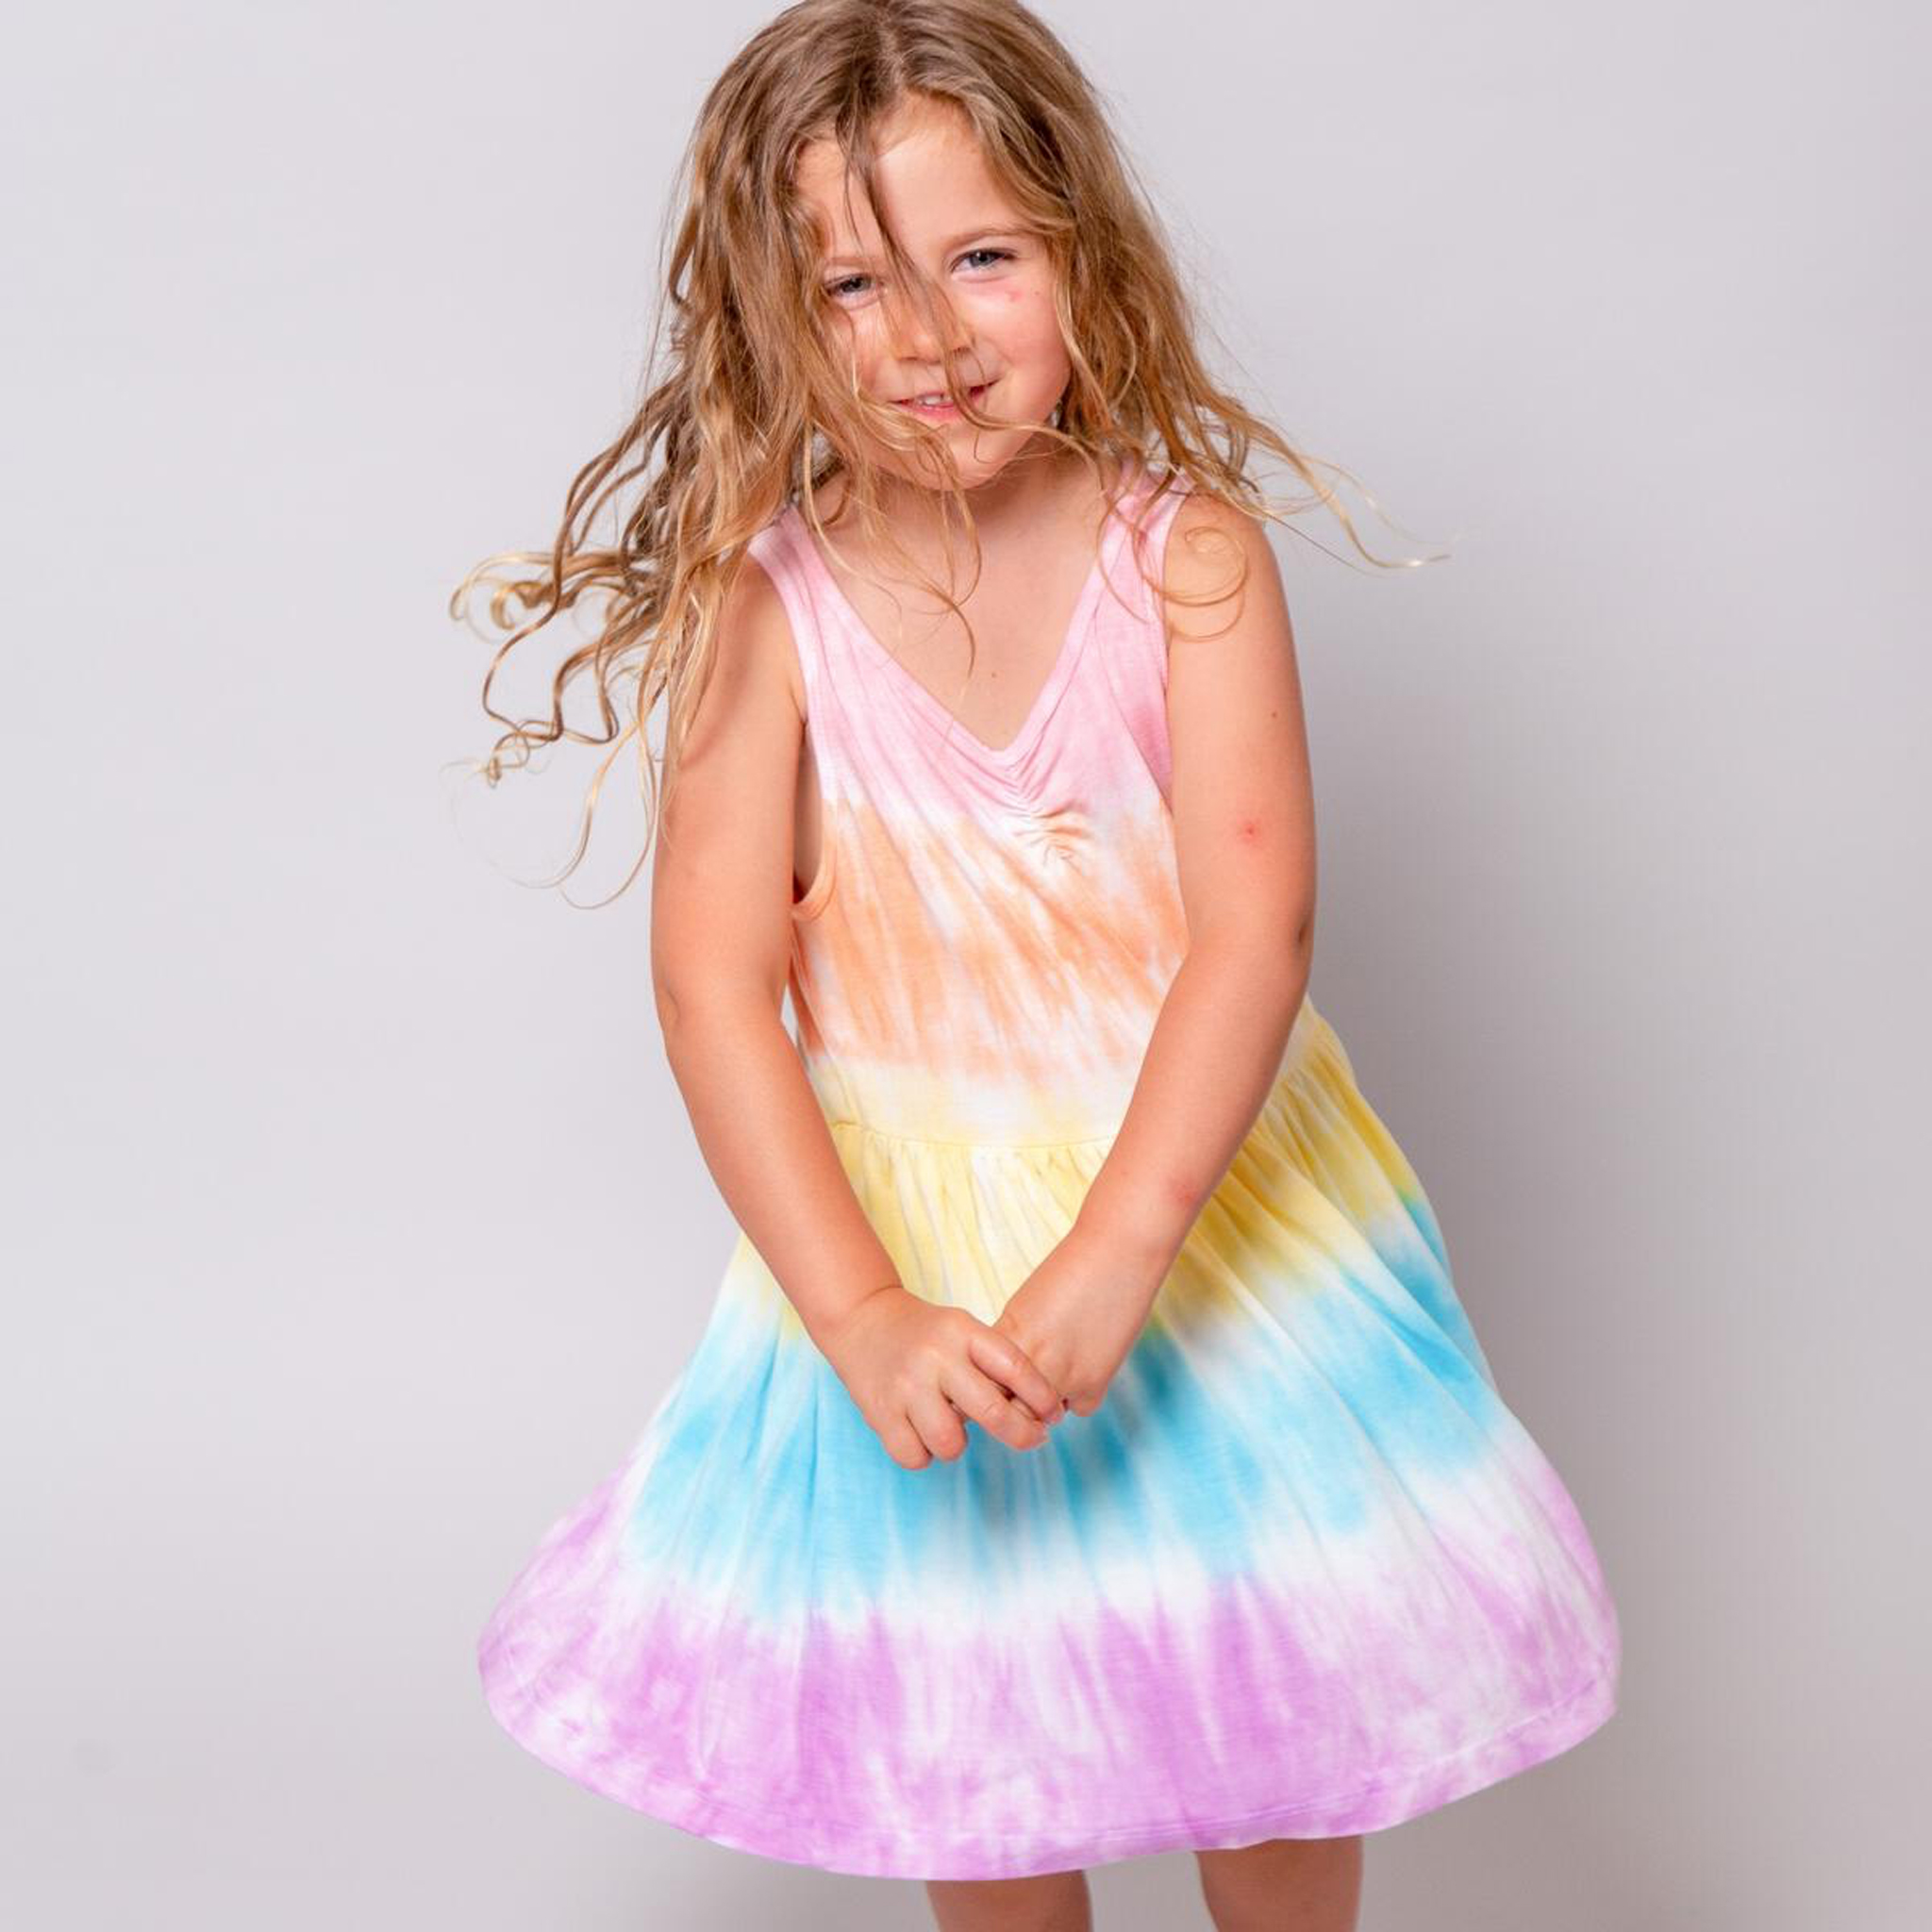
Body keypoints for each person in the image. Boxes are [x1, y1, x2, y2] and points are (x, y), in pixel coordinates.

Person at [457, 4, 1622, 1927]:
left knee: (1273, 1712)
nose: (928, 335)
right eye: (854, 282)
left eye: (982, 257)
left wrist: (1117, 1253)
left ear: (1084, 248)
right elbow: (710, 991)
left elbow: (1254, 932)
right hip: (918, 1269)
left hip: (1212, 1232)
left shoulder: (1190, 565)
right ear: (768, 314)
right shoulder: (767, 617)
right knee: (981, 1748)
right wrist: (861, 1314)